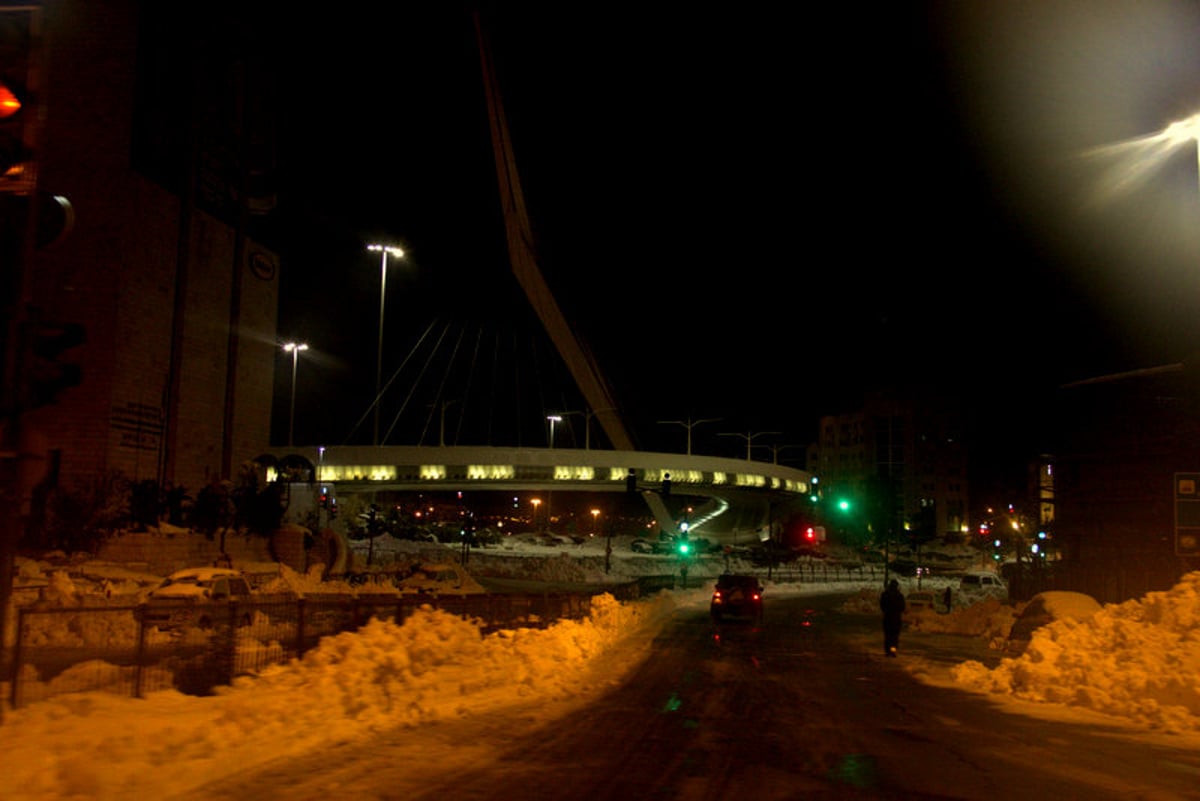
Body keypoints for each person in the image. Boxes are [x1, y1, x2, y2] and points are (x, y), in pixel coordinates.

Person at [880, 579, 906, 657]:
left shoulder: (885, 594)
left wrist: (886, 611)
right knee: (894, 636)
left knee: (888, 635)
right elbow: (902, 607)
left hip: (887, 618)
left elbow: (882, 605)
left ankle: (887, 651)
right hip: (896, 618)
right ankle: (893, 650)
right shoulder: (899, 595)